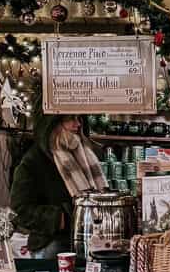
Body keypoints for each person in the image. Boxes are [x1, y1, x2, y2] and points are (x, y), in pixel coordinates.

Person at [10, 110, 106, 257]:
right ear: (53, 123)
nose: (78, 124)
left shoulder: (85, 153)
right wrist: (59, 219)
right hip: (51, 243)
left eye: (78, 118)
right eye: (70, 119)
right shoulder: (35, 160)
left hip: (88, 238)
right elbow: (19, 210)